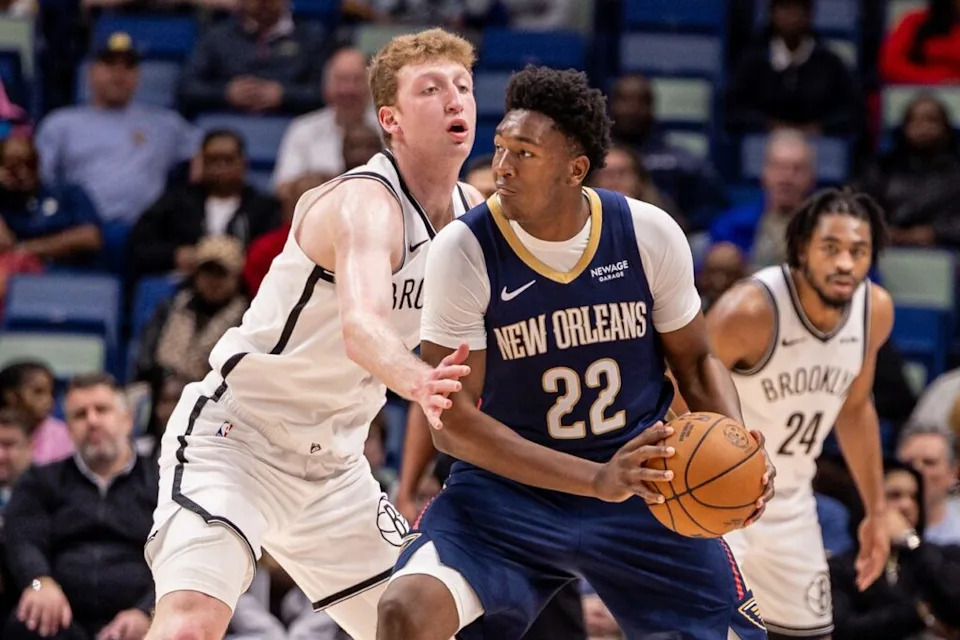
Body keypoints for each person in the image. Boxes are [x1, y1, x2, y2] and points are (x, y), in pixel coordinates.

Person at [377, 66, 773, 640]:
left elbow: (694, 360)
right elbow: (452, 423)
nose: (503, 168)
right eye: (499, 149)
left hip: (645, 481)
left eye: (525, 153)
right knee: (405, 612)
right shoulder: (463, 250)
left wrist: (740, 449)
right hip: (508, 493)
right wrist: (593, 479)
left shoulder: (647, 232)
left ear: (575, 169)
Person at [143, 28, 482, 640]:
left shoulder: (471, 215)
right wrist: (421, 381)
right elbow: (363, 328)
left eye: (463, 86)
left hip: (336, 468)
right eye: (431, 90)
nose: (455, 100)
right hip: (237, 442)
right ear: (391, 119)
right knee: (191, 623)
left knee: (421, 626)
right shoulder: (363, 202)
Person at [704, 187, 894, 639]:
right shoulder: (750, 310)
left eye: (858, 250)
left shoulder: (874, 310)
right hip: (720, 503)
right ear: (802, 249)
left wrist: (876, 511)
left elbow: (854, 408)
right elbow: (678, 388)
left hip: (790, 501)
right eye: (831, 248)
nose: (845, 263)